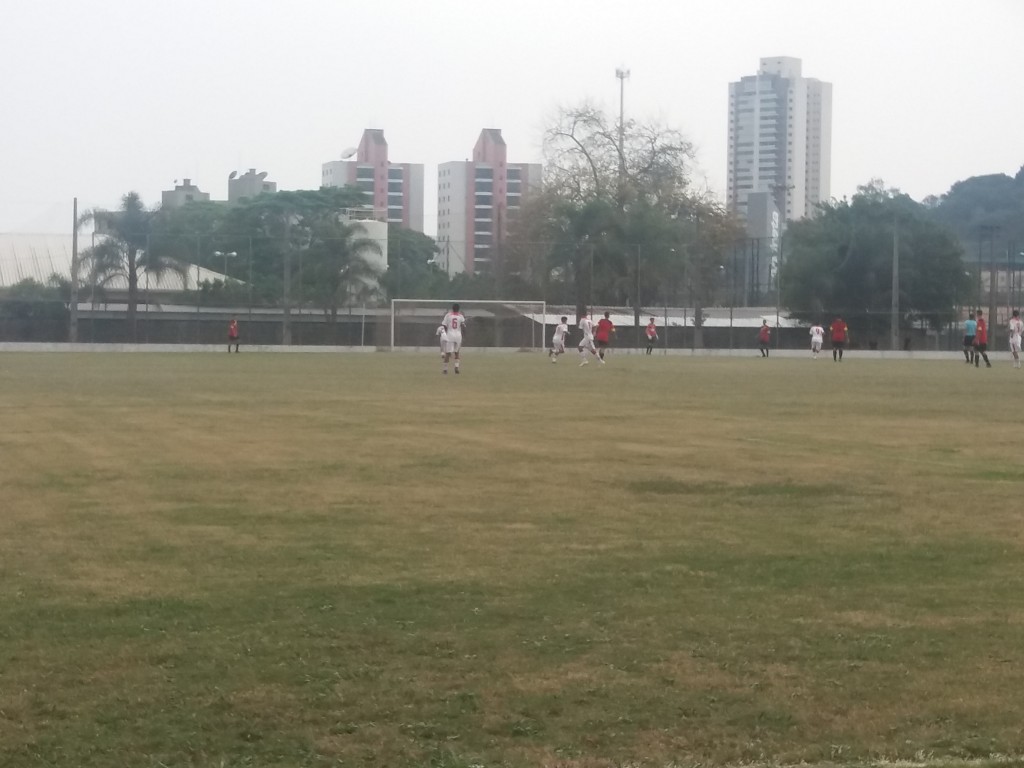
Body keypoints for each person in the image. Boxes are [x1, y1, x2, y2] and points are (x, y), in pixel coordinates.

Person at [440, 302, 467, 374]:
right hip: (458, 335)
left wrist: (444, 334)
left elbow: (444, 325)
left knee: (448, 353)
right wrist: (464, 335)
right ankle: (456, 368)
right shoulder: (461, 316)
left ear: (452, 308)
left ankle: (445, 369)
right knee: (457, 352)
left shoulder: (448, 315)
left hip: (450, 335)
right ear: (458, 309)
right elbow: (463, 327)